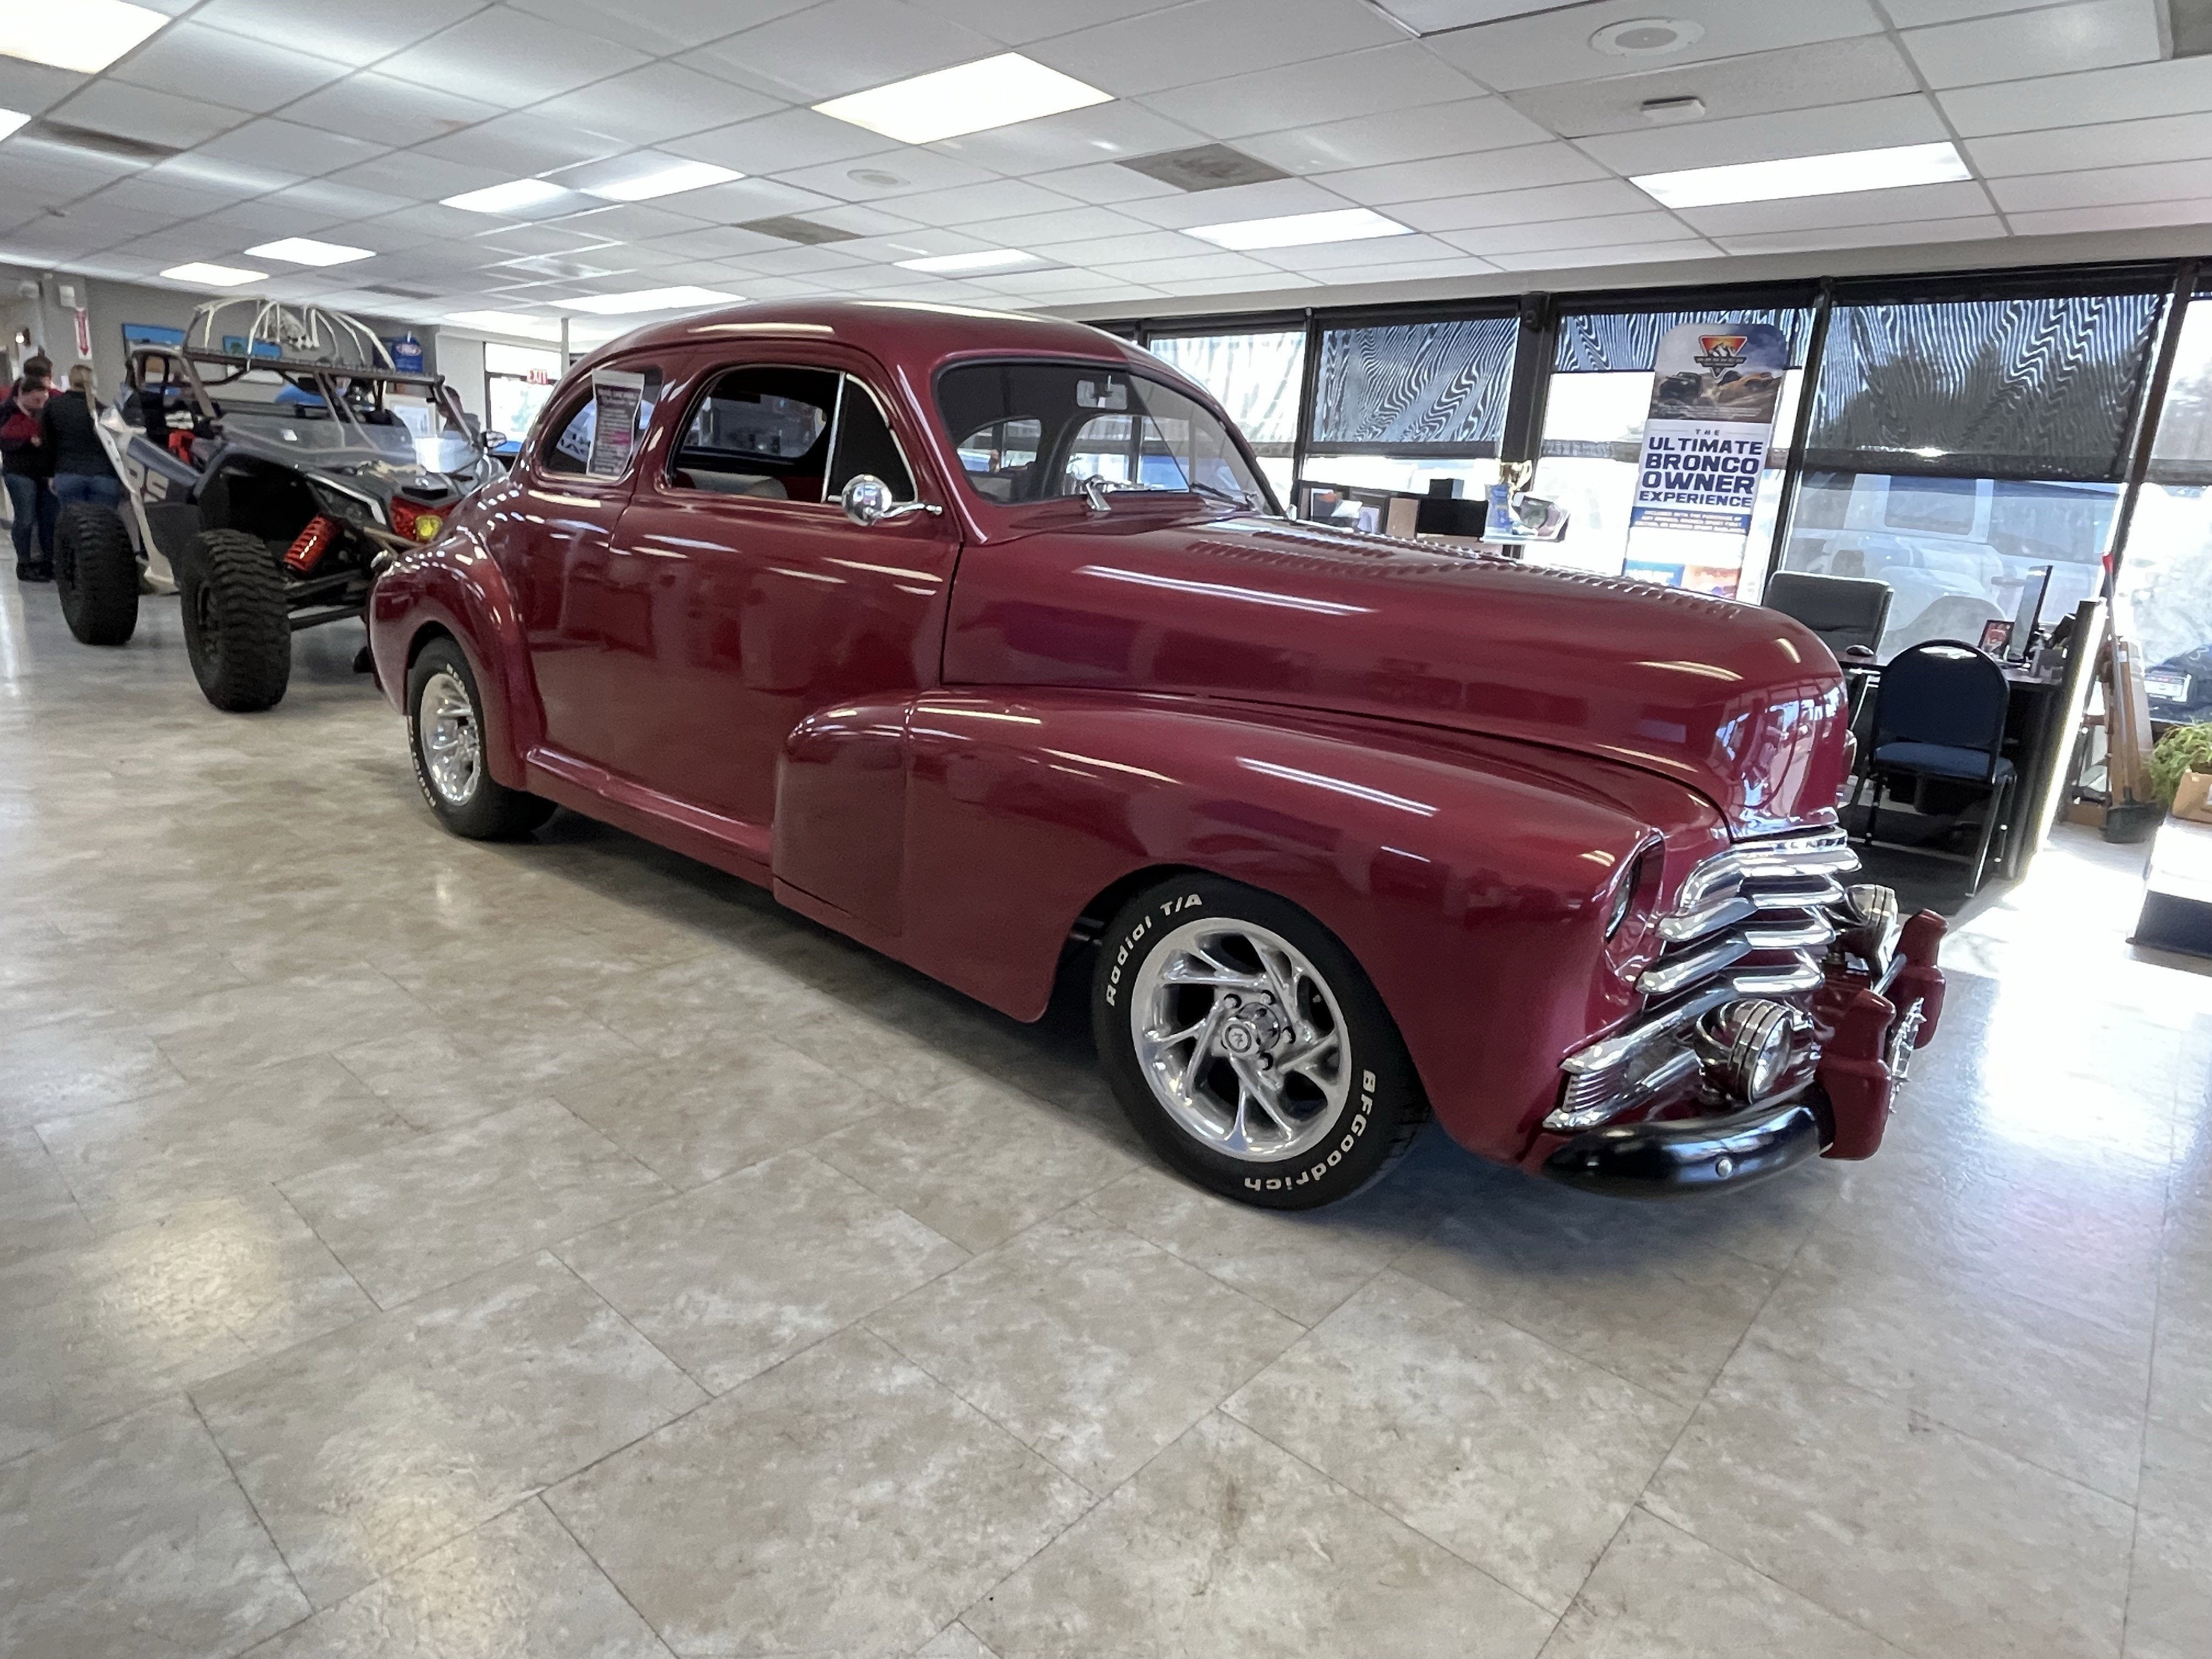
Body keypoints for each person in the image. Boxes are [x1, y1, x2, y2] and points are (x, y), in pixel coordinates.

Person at [47, 363, 123, 516]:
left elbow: (48, 444)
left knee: (77, 530)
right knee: (106, 530)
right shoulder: (104, 410)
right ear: (92, 382)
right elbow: (118, 445)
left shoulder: (54, 406)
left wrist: (50, 474)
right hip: (104, 477)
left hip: (68, 475)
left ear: (70, 380)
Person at [1, 372, 57, 581]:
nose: (40, 405)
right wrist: (26, 442)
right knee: (25, 519)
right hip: (18, 472)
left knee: (47, 519)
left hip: (41, 473)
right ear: (22, 395)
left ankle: (46, 561)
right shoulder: (7, 412)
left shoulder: (42, 414)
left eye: (43, 400)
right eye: (36, 400)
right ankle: (25, 562)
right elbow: (5, 441)